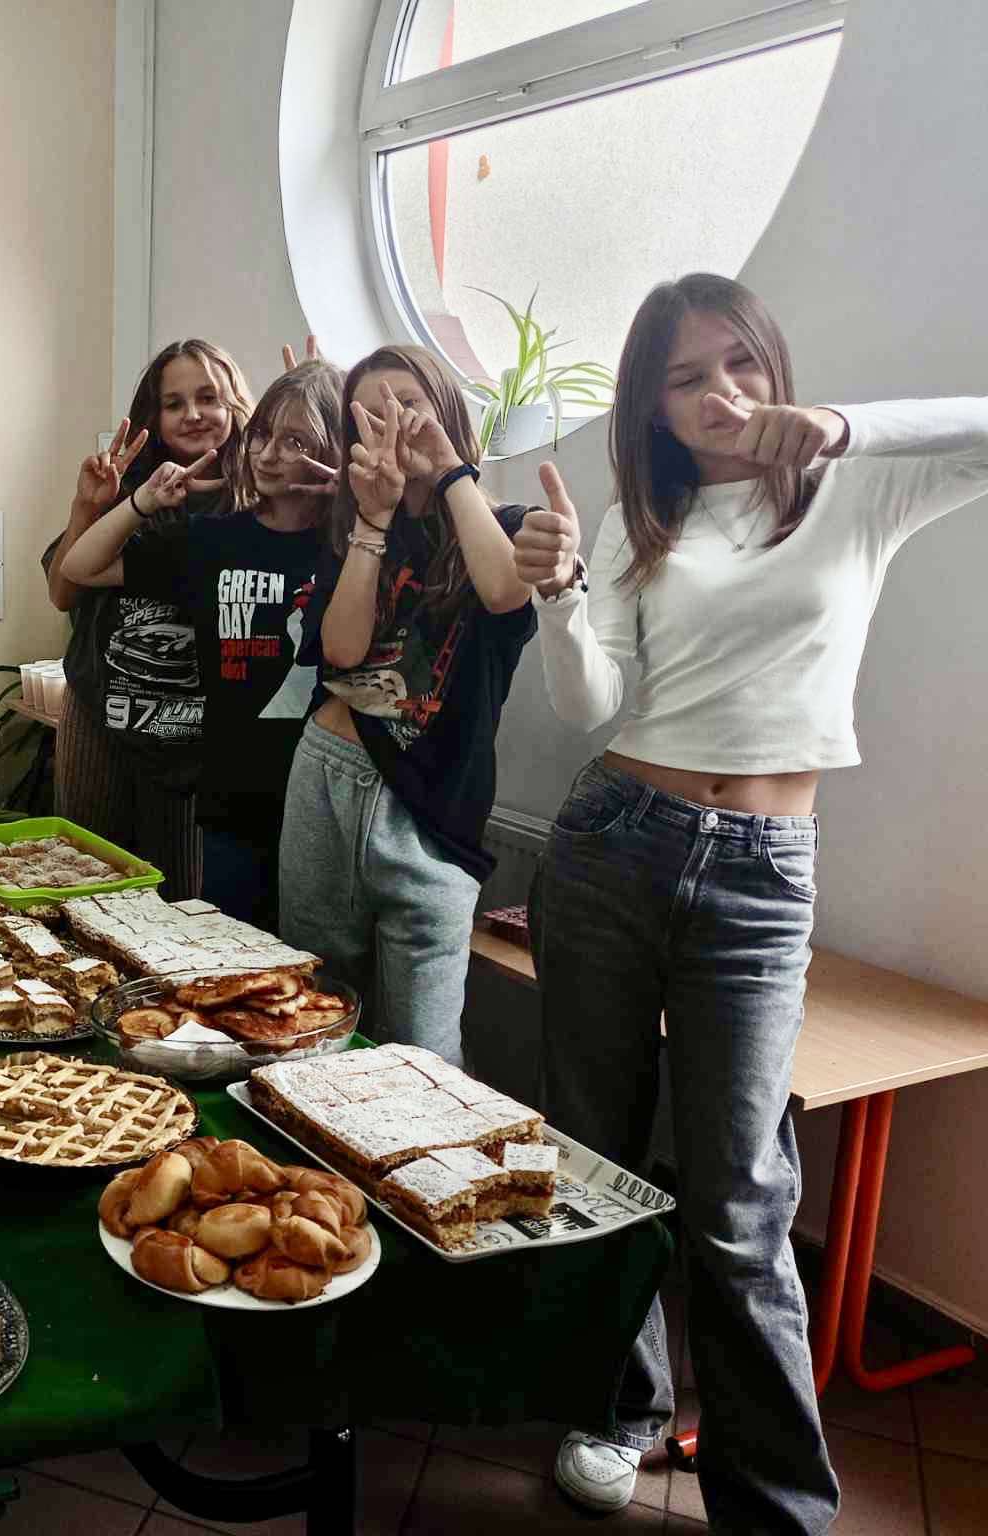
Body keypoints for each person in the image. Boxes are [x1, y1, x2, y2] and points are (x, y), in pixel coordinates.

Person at [520, 273, 988, 1530]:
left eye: (739, 362)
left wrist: (840, 427)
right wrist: (559, 595)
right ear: (652, 407)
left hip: (760, 876)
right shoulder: (638, 518)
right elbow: (586, 703)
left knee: (737, 1205)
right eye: (684, 378)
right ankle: (613, 1408)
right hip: (614, 842)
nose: (720, 394)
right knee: (589, 1156)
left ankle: (773, 1507)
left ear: (775, 364)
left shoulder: (855, 486)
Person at [279, 346, 536, 1063]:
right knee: (309, 1019)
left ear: (447, 408)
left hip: (432, 817)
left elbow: (503, 592)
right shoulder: (358, 529)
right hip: (327, 776)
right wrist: (373, 519)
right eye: (368, 415)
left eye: (409, 403)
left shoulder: (511, 525)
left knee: (425, 1051)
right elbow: (342, 650)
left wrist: (449, 468)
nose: (392, 423)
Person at [61, 352, 345, 928]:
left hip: (319, 798)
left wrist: (363, 504)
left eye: (293, 441)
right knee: (215, 939)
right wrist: (137, 502)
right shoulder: (214, 539)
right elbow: (76, 569)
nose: (269, 453)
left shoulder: (350, 547)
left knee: (303, 956)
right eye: (264, 434)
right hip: (225, 797)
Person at [43, 340, 253, 900]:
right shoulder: (132, 487)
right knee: (86, 887)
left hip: (199, 742)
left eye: (208, 398)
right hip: (103, 718)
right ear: (153, 416)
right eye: (173, 403)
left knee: (185, 902)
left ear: (235, 403)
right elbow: (63, 592)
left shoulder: (256, 501)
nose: (193, 415)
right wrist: (90, 505)